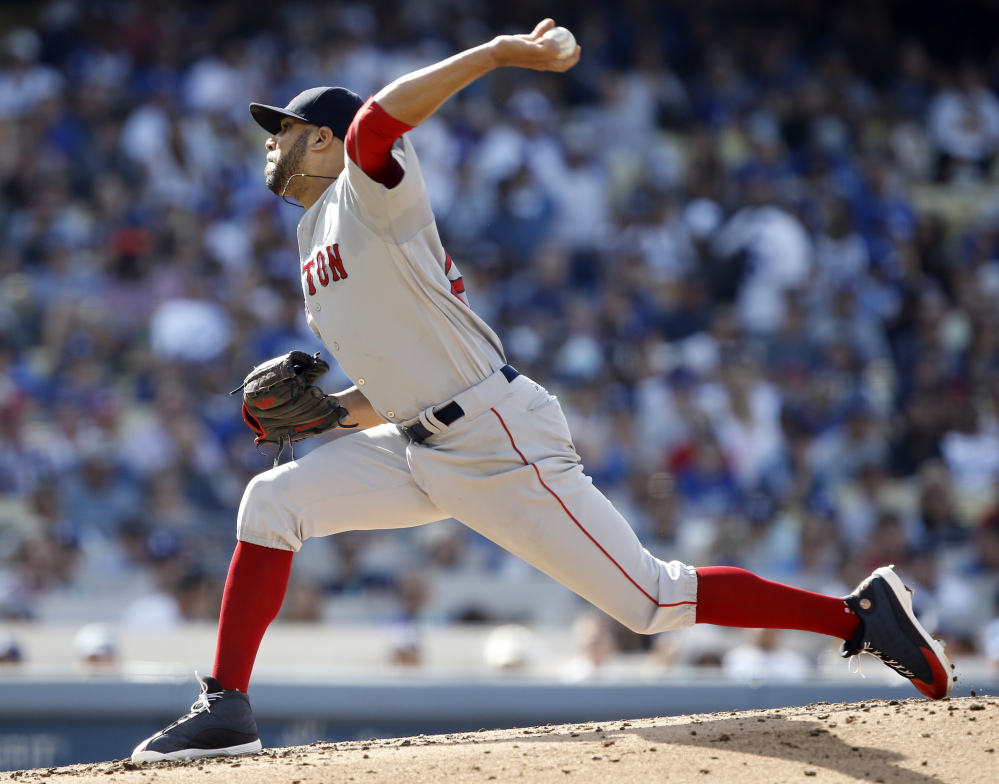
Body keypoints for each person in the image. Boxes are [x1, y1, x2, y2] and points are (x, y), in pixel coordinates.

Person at [131, 20, 953, 764]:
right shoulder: (314, 237)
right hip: (420, 439)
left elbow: (378, 118)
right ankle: (225, 706)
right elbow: (394, 385)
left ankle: (857, 616)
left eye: (282, 130)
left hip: (494, 434)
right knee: (269, 505)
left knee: (650, 601)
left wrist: (497, 54)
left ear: (321, 140)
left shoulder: (370, 187)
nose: (268, 144)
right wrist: (321, 420)